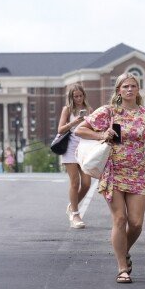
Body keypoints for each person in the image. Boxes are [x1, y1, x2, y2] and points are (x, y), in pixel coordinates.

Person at [75, 73, 145, 284]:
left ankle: (123, 251)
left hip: (137, 173)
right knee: (120, 219)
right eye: (125, 86)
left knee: (136, 224)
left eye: (133, 86)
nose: (129, 89)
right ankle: (122, 268)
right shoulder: (109, 112)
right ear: (118, 91)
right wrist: (101, 135)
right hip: (113, 171)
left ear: (138, 90)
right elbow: (80, 129)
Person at [57, 84, 93, 229]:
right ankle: (75, 214)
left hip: (84, 148)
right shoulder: (67, 109)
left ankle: (72, 206)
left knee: (86, 183)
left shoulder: (90, 110)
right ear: (71, 97)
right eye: (75, 96)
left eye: (80, 96)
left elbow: (94, 127)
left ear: (84, 95)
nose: (78, 99)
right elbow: (60, 129)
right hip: (70, 148)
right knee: (75, 182)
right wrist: (75, 121)